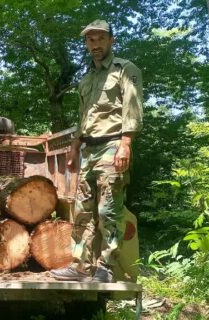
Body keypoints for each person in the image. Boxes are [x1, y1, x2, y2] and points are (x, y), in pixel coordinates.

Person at [51, 19, 143, 283]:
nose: (96, 44)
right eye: (91, 40)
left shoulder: (126, 70)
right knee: (82, 210)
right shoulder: (86, 79)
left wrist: (126, 143)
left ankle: (106, 267)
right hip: (89, 150)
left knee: (108, 210)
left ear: (111, 40)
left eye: (101, 38)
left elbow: (132, 109)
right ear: (86, 44)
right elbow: (84, 117)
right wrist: (74, 146)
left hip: (113, 145)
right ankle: (80, 267)